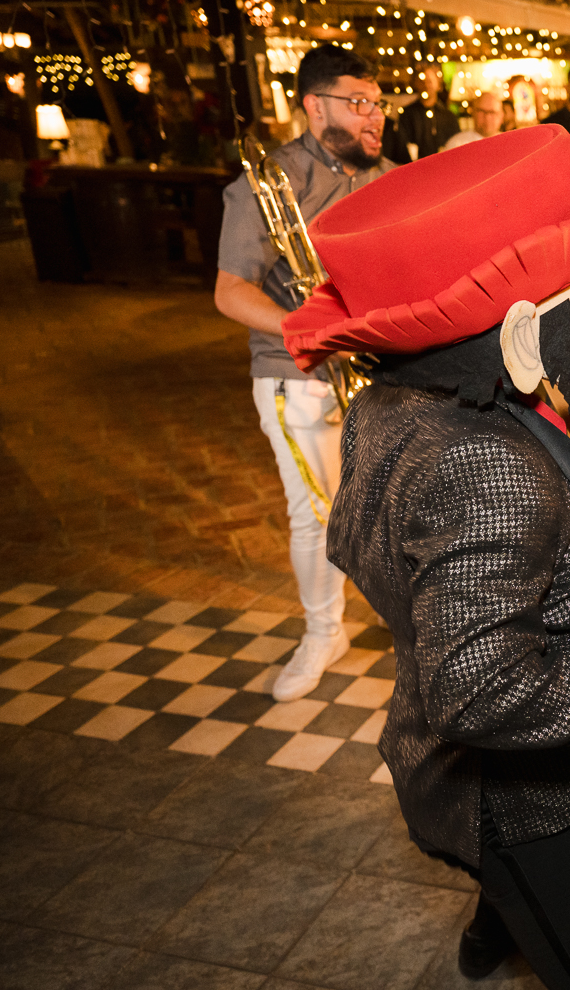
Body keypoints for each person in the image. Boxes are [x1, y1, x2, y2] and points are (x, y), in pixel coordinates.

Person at [280, 125, 570, 987]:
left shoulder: (414, 404)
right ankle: (505, 906)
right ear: (522, 340)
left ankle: (491, 921)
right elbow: (478, 688)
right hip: (515, 803)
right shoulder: (486, 464)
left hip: (503, 759)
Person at [214, 45, 394, 702]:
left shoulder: (390, 175)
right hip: (299, 374)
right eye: (359, 103)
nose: (375, 117)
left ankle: (393, 610)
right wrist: (308, 331)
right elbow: (231, 291)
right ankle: (324, 631)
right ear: (315, 105)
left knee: (386, 502)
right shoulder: (267, 182)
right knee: (317, 513)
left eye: (379, 104)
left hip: (383, 369)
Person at [400, 62, 461, 158]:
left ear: (438, 85)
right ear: (416, 84)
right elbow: (402, 146)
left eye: (430, 82)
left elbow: (456, 145)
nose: (426, 85)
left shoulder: (449, 117)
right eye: (422, 81)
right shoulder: (407, 114)